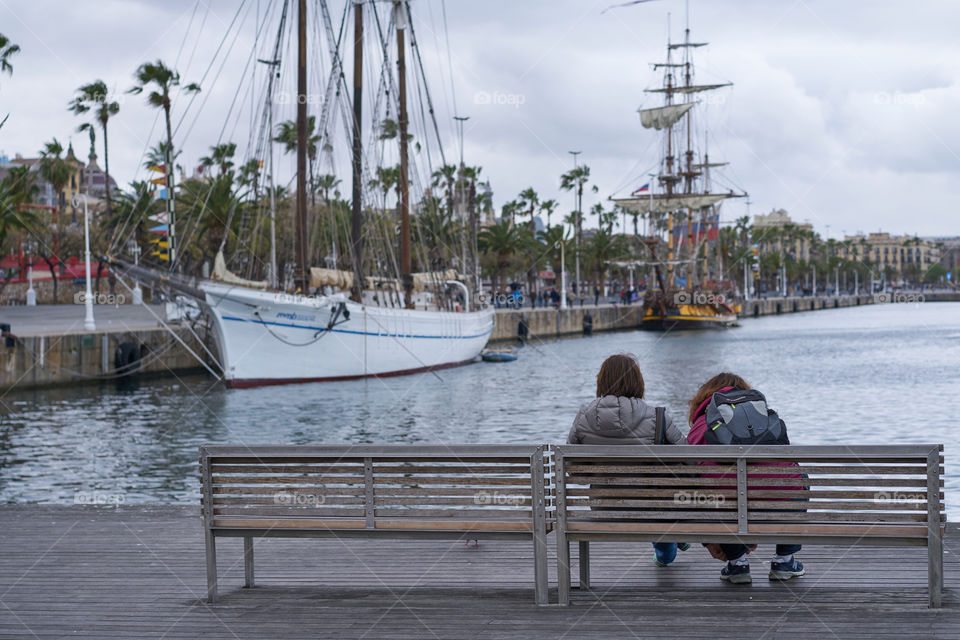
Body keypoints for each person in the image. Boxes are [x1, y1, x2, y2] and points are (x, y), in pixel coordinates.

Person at [568, 354, 689, 567]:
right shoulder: (657, 416)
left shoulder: (583, 417)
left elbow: (575, 472)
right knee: (663, 502)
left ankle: (672, 535)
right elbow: (689, 462)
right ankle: (670, 539)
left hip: (603, 509)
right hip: (652, 510)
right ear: (638, 381)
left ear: (601, 381)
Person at [687, 372, 805, 584]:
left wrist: (707, 540)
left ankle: (737, 563)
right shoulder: (762, 417)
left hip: (727, 508)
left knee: (712, 494)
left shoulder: (701, 424)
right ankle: (785, 560)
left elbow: (690, 476)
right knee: (799, 478)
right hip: (778, 501)